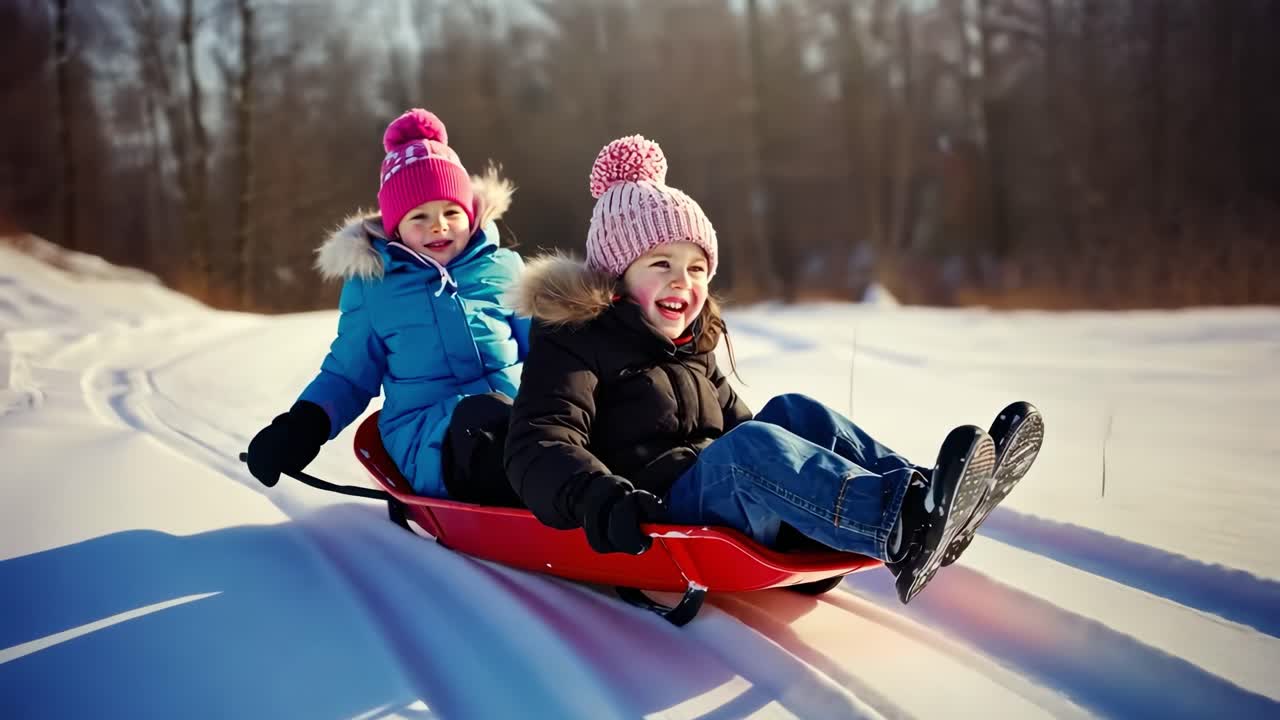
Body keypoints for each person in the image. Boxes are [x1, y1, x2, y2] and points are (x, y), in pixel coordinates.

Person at [503, 135, 1043, 603]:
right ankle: (898, 526)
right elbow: (538, 445)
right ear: (615, 276)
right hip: (658, 514)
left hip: (713, 498)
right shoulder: (576, 341)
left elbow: (746, 427)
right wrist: (603, 498)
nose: (683, 282)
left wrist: (794, 463)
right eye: (660, 264)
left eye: (696, 268)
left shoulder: (689, 344)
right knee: (748, 450)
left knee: (792, 412)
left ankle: (925, 494)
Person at [246, 108, 527, 507]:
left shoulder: (503, 269)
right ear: (395, 226)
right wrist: (300, 428)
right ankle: (550, 489)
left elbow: (551, 351)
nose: (439, 226)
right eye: (420, 216)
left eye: (451, 212)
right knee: (483, 421)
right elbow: (347, 376)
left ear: (469, 213)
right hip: (431, 439)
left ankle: (613, 493)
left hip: (522, 426)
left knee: (564, 423)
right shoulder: (375, 289)